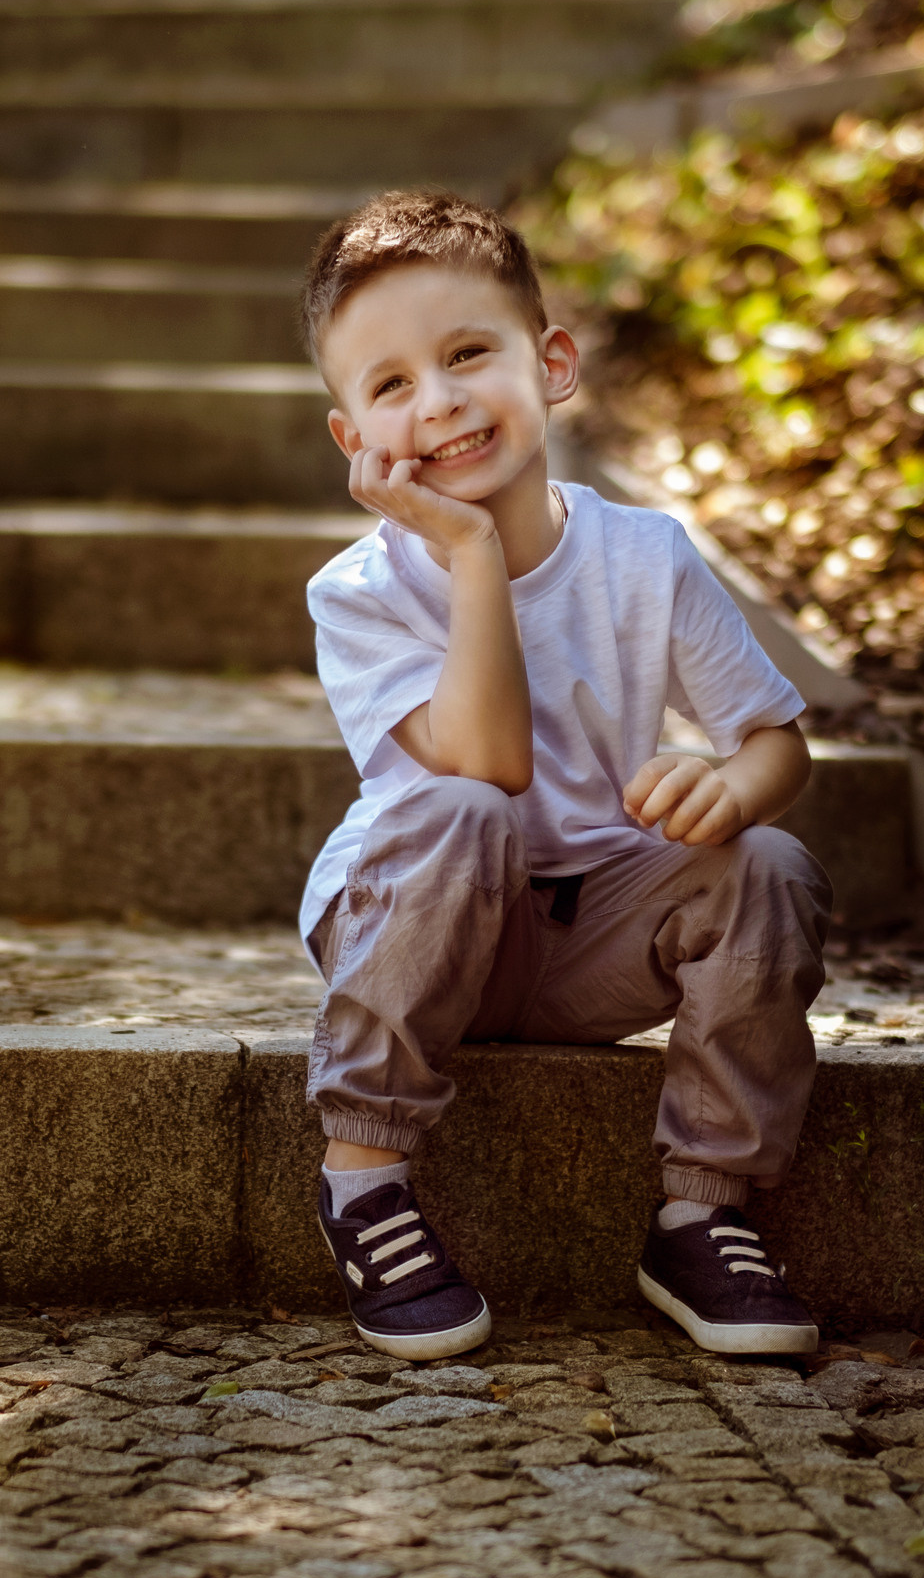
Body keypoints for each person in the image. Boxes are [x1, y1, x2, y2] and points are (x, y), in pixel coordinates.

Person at [298, 191, 834, 1363]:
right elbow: (485, 765)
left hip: (590, 935)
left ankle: (701, 1213)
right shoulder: (359, 590)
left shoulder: (644, 556)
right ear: (353, 439)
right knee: (458, 809)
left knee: (769, 870)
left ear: (549, 364)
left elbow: (776, 739)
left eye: (466, 355)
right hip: (415, 923)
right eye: (389, 386)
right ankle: (365, 1180)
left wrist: (733, 791)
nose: (435, 401)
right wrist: (469, 550)